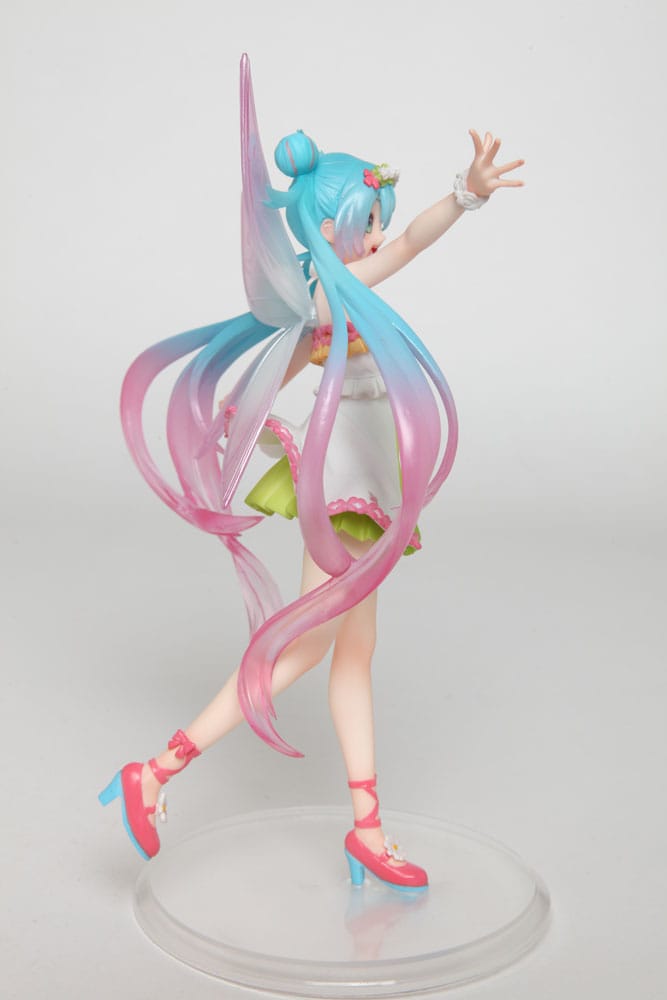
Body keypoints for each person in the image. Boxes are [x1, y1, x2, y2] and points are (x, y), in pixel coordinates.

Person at [100, 55, 523, 891]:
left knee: (351, 652)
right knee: (301, 648)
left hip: (362, 480)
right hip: (348, 486)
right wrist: (464, 196)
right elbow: (409, 245)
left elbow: (289, 362)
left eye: (378, 222)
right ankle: (156, 769)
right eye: (368, 223)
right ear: (332, 228)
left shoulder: (318, 299)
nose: (378, 235)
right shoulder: (336, 289)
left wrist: (235, 412)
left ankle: (365, 827)